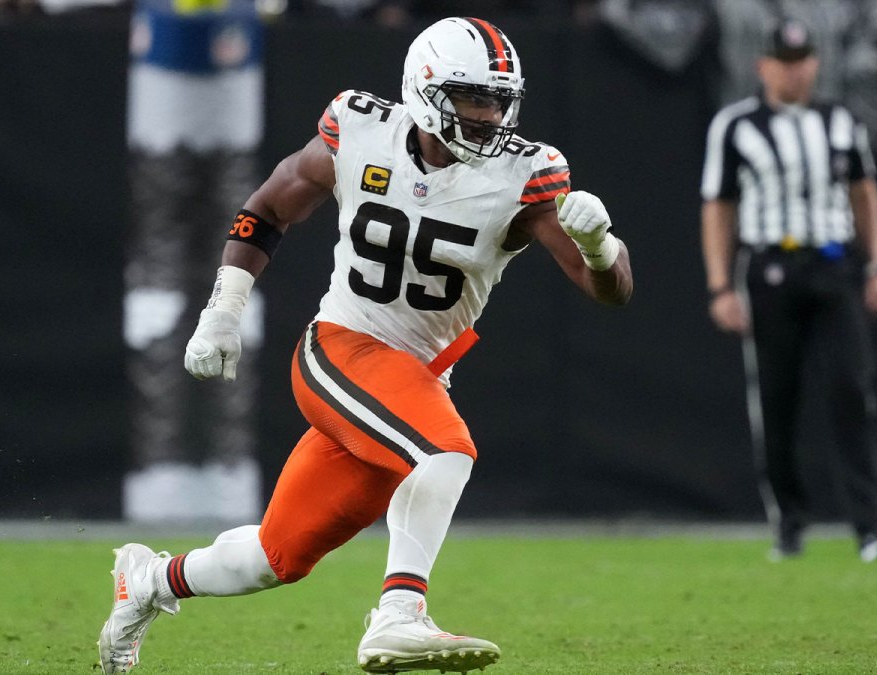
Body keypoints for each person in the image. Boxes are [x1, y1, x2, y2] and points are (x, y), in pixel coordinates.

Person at [98, 15, 633, 674]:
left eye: (499, 99)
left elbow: (607, 289)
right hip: (341, 348)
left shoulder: (525, 175)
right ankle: (399, 614)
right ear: (425, 89)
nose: (490, 115)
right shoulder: (359, 129)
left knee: (276, 556)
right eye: (473, 96)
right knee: (445, 449)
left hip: (413, 380)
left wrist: (600, 245)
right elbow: (267, 209)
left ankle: (147, 581)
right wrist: (222, 311)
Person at [700, 18, 877, 563]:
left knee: (850, 391)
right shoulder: (736, 125)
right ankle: (789, 523)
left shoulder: (841, 121)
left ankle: (871, 528)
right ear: (764, 65)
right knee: (776, 399)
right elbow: (718, 207)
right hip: (770, 268)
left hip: (835, 266)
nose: (794, 70)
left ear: (814, 63)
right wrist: (720, 284)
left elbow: (866, 194)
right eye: (784, 60)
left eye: (803, 59)